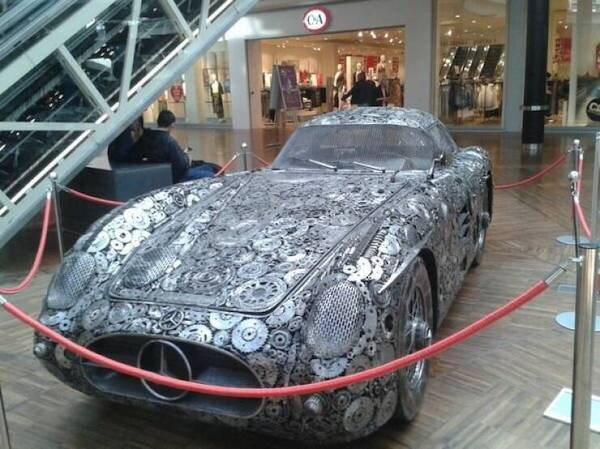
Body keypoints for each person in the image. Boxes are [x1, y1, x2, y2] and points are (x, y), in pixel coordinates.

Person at [139, 110, 219, 182]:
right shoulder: (169, 142)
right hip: (178, 176)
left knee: (209, 167)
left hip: (165, 172)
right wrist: (187, 158)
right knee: (211, 173)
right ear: (172, 124)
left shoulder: (147, 138)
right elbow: (181, 166)